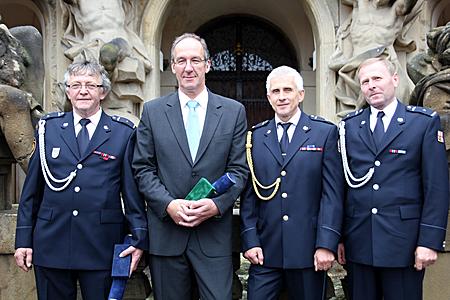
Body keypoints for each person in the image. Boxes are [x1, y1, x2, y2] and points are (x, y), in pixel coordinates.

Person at [14, 60, 148, 300]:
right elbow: (31, 192)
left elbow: (132, 194)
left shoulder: (123, 132)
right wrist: (23, 240)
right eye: (75, 85)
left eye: (90, 85)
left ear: (103, 92)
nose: (83, 91)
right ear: (68, 91)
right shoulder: (48, 128)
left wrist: (138, 238)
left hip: (101, 245)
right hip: (51, 243)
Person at [132, 33, 248, 300]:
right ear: (172, 66)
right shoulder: (152, 111)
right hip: (167, 235)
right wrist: (168, 204)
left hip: (214, 237)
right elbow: (143, 168)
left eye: (195, 60)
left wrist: (217, 205)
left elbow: (239, 171)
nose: (188, 67)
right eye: (181, 61)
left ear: (208, 64)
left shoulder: (233, 111)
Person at [338, 57, 449, 300]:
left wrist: (429, 241)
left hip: (404, 244)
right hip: (359, 243)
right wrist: (339, 238)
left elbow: (437, 188)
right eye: (365, 81)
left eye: (377, 78)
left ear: (395, 80)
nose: (371, 85)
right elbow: (342, 189)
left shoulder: (422, 123)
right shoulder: (349, 126)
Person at [240, 66, 344, 299]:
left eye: (288, 90)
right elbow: (249, 197)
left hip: (309, 251)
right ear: (268, 97)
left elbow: (332, 195)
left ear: (301, 94)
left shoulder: (324, 133)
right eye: (275, 91)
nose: (282, 96)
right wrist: (250, 240)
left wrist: (326, 244)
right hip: (266, 251)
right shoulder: (254, 137)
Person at [329, 0, 418, 114]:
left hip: (386, 62)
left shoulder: (396, 9)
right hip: (358, 65)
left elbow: (406, 5)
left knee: (401, 105)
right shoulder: (360, 4)